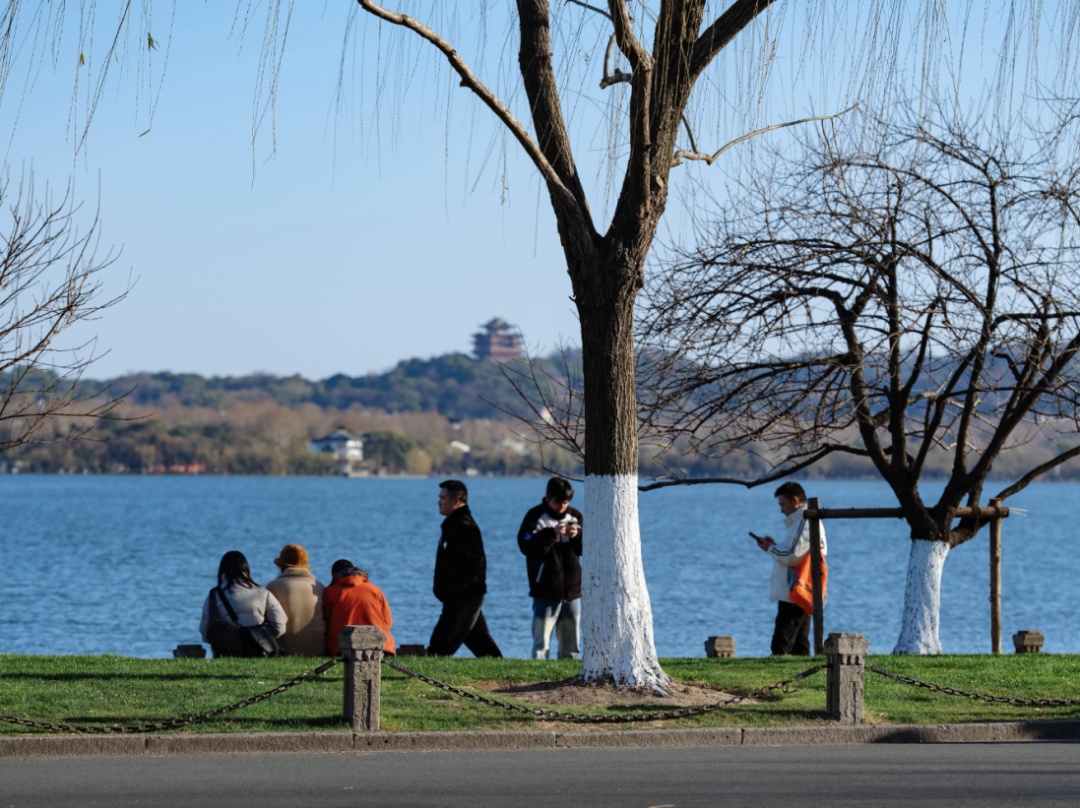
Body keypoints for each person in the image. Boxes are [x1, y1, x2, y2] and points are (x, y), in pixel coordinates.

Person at [427, 479, 502, 657]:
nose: (439, 502)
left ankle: (429, 679)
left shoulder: (464, 526)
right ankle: (504, 674)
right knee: (481, 643)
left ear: (456, 501)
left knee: (440, 648)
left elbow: (473, 565)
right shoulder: (453, 525)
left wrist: (453, 589)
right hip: (460, 596)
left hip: (464, 596)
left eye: (443, 498)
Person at [753, 481, 828, 656]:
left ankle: (777, 680)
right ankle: (802, 679)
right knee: (799, 646)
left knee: (781, 644)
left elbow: (793, 556)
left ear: (795, 500)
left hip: (795, 592)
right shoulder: (802, 522)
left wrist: (770, 548)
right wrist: (776, 545)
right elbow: (795, 552)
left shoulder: (805, 520)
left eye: (783, 504)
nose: (781, 510)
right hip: (800, 590)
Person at [517, 476, 583, 659]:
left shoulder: (575, 516)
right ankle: (537, 677)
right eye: (557, 502)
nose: (562, 506)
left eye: (566, 502)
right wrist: (551, 534)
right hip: (544, 589)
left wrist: (577, 535)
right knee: (541, 643)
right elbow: (526, 547)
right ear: (547, 498)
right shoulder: (535, 516)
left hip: (573, 590)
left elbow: (587, 549)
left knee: (571, 646)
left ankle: (569, 677)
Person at [199, 550, 287, 657]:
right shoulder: (263, 592)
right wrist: (262, 638)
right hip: (258, 652)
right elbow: (279, 625)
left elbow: (205, 631)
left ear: (222, 570)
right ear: (246, 569)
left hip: (226, 654)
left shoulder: (214, 595)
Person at [265, 543, 328, 656]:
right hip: (318, 651)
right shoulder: (319, 586)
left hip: (285, 652)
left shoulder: (273, 587)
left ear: (282, 566)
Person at [323, 558, 396, 656]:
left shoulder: (330, 592)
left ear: (334, 576)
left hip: (341, 647)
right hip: (380, 644)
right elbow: (387, 620)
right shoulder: (374, 589)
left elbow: (326, 622)